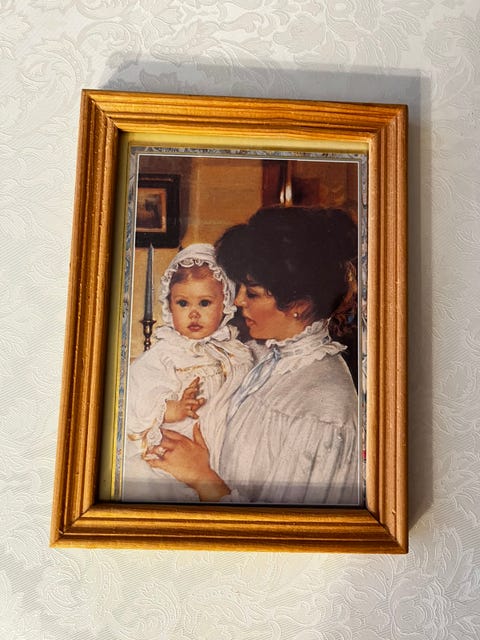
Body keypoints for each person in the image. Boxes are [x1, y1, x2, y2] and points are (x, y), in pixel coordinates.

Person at [147, 206, 362, 506]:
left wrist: (202, 478)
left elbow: (287, 530)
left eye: (253, 293)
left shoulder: (324, 410)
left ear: (299, 305)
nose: (237, 301)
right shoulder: (256, 355)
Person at [122, 243, 253, 501]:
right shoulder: (165, 353)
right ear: (169, 305)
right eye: (183, 303)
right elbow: (137, 395)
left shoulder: (235, 352)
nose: (193, 313)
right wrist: (172, 409)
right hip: (175, 448)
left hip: (220, 450)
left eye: (204, 303)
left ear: (225, 304)